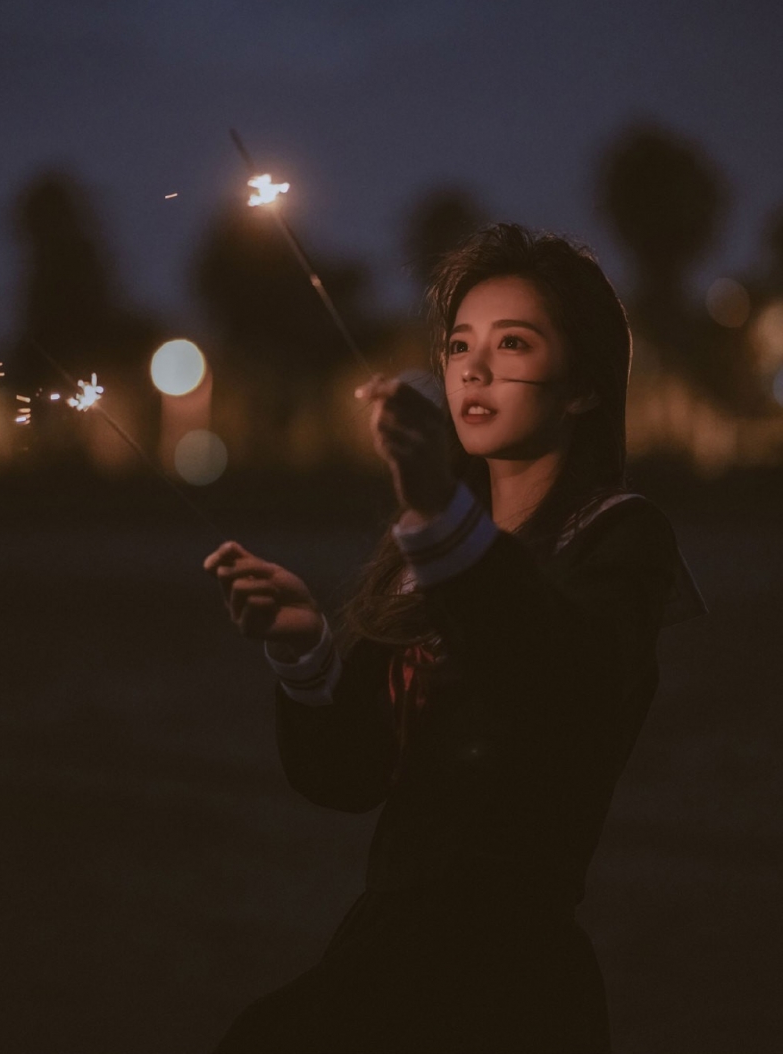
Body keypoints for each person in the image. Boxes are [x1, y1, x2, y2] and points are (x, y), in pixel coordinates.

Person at [203, 224, 706, 1053]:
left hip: (506, 979)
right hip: (384, 958)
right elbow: (350, 776)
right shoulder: (427, 556)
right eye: (460, 344)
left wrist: (443, 522)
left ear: (582, 386)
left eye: (513, 343)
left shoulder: (619, 538)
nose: (473, 368)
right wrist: (304, 647)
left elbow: (558, 683)